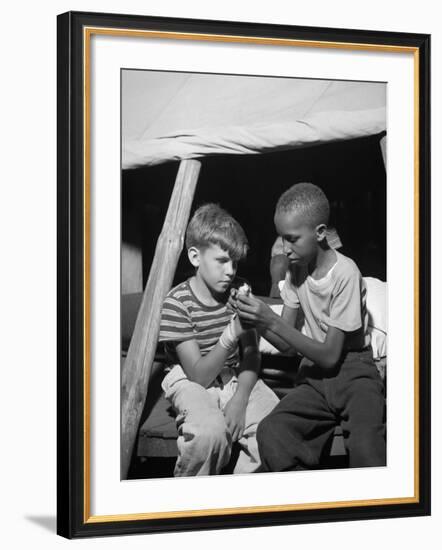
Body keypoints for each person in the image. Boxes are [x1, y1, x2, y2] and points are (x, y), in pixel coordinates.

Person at [234, 183, 386, 471]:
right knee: (273, 431)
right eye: (281, 239)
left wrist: (271, 319)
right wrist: (255, 320)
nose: (285, 250)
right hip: (313, 376)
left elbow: (330, 354)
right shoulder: (296, 270)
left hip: (353, 371)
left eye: (292, 239)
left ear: (319, 233)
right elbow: (287, 345)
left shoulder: (345, 273)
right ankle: (308, 503)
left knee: (367, 446)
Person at [158, 203, 279, 476]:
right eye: (222, 261)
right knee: (208, 435)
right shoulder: (177, 303)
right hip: (190, 381)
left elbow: (251, 354)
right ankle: (193, 509)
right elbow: (198, 377)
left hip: (235, 376)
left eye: (235, 262)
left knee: (275, 427)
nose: (230, 271)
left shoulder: (237, 292)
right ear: (195, 256)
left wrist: (240, 398)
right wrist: (231, 331)